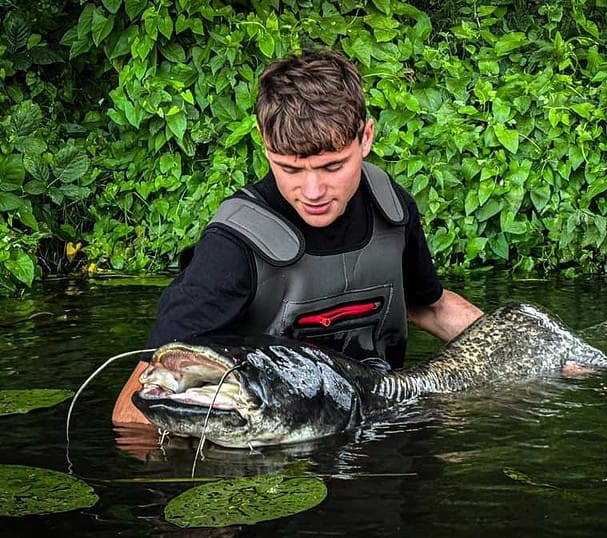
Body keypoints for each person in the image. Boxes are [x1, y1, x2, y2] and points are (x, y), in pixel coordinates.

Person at [112, 48, 484, 425]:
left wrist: (527, 352)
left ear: (366, 137)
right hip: (271, 448)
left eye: (332, 166)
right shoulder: (231, 249)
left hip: (380, 418)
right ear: (262, 139)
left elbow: (431, 307)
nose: (312, 191)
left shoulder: (391, 206)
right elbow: (135, 409)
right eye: (289, 168)